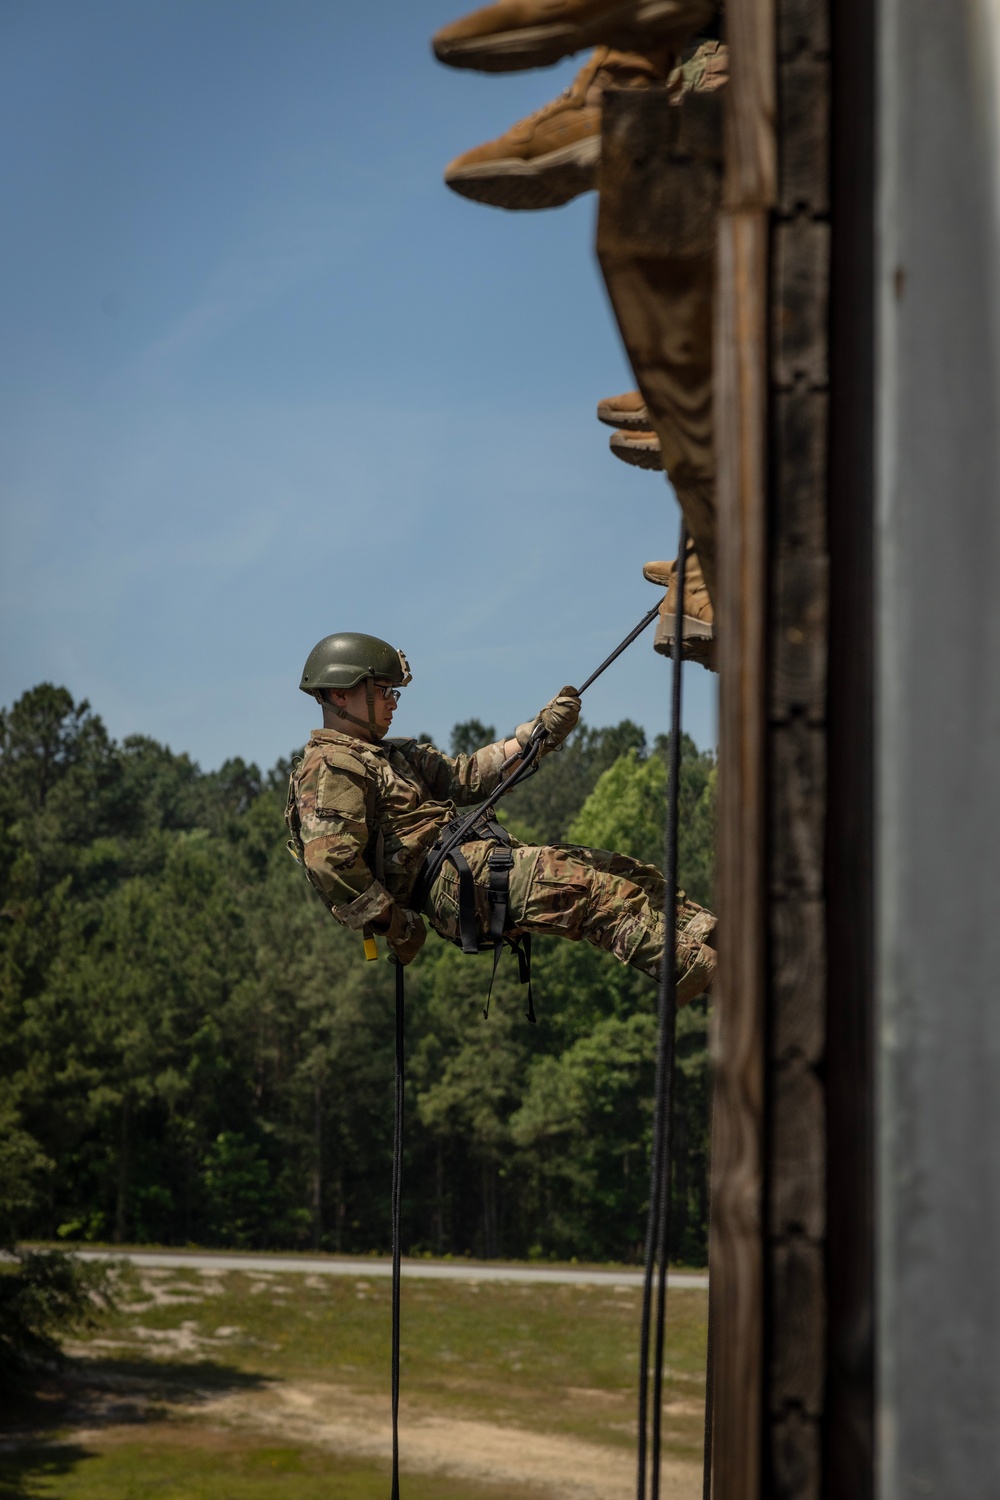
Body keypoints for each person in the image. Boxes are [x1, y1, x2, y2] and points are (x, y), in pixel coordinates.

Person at [286, 632, 716, 1003]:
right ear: (341, 694)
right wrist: (395, 925)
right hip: (451, 882)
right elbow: (330, 861)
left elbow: (467, 777)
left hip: (473, 862)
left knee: (620, 872)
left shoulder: (392, 754)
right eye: (382, 691)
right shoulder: (331, 764)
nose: (392, 702)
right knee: (589, 891)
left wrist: (535, 736)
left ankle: (715, 939)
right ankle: (713, 974)